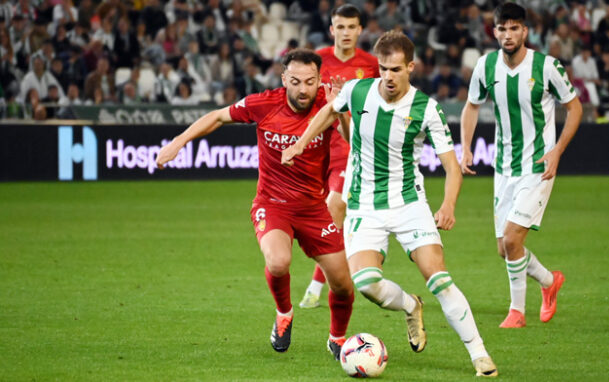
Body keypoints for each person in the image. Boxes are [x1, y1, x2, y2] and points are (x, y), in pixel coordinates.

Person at [282, 31, 498, 378]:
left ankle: (480, 356)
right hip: (364, 205)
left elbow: (451, 166)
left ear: (411, 67)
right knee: (366, 283)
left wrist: (448, 205)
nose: (388, 76)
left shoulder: (427, 108)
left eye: (396, 69)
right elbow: (327, 112)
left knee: (439, 277)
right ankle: (410, 305)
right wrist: (300, 143)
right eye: (383, 68)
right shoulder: (358, 90)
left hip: (409, 203)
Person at [155, 48, 355, 359]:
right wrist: (179, 142)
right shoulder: (264, 104)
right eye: (296, 81)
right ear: (283, 79)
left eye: (310, 81)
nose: (303, 89)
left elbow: (350, 137)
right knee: (277, 261)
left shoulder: (326, 104)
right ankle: (284, 313)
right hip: (272, 203)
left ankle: (338, 338)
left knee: (343, 284)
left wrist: (340, 108)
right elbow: (218, 116)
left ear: (319, 80)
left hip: (314, 208)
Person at [459, 3, 582, 329]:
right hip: (504, 168)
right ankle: (548, 280)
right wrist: (467, 147)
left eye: (515, 28)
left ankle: (517, 312)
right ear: (495, 31)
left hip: (538, 166)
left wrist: (557, 151)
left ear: (525, 31)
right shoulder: (486, 66)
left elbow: (575, 108)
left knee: (513, 240)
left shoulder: (546, 66)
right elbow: (471, 107)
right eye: (503, 28)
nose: (508, 34)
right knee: (504, 248)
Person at [299, 3, 380, 310]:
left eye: (352, 27)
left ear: (360, 30)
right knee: (320, 218)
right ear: (332, 30)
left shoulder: (372, 65)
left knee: (334, 209)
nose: (346, 33)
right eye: (340, 27)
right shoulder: (316, 61)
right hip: (317, 150)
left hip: (350, 148)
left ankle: (318, 285)